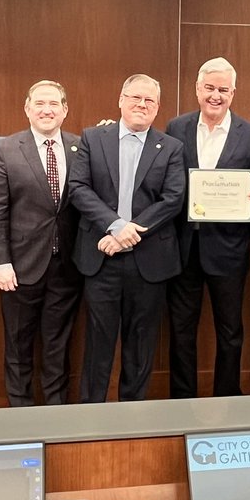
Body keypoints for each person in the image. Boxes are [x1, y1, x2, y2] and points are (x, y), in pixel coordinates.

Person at [69, 74, 185, 402]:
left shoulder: (171, 147)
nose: (141, 105)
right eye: (135, 97)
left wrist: (125, 234)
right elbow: (78, 188)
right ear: (121, 100)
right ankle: (91, 418)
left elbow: (173, 199)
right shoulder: (93, 138)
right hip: (100, 259)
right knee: (97, 345)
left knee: (141, 346)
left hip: (149, 263)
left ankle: (132, 419)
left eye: (149, 101)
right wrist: (115, 226)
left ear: (158, 107)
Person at [165, 57, 250, 398]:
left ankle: (227, 398)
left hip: (228, 249)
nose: (215, 95)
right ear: (197, 89)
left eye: (223, 89)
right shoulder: (175, 128)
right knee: (181, 330)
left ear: (233, 93)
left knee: (230, 331)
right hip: (182, 247)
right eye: (209, 88)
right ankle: (182, 400)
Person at [0, 80, 82, 406]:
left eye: (54, 104)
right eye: (39, 103)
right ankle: (20, 415)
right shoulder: (6, 150)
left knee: (58, 346)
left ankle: (55, 415)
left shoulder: (80, 147)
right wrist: (0, 261)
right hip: (19, 267)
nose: (47, 110)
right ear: (27, 109)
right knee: (18, 345)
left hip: (67, 266)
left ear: (65, 110)